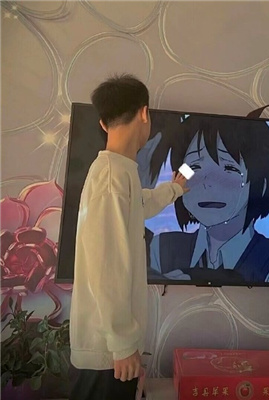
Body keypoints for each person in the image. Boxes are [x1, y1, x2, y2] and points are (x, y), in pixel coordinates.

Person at [69, 74, 188, 400]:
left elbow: (139, 206)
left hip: (111, 348)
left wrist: (175, 189)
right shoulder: (111, 178)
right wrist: (123, 344)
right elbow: (105, 266)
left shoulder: (120, 172)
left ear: (104, 123)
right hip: (107, 351)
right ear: (144, 113)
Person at [148, 114, 269, 284]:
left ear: (262, 182)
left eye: (229, 168)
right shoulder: (161, 249)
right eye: (195, 167)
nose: (208, 183)